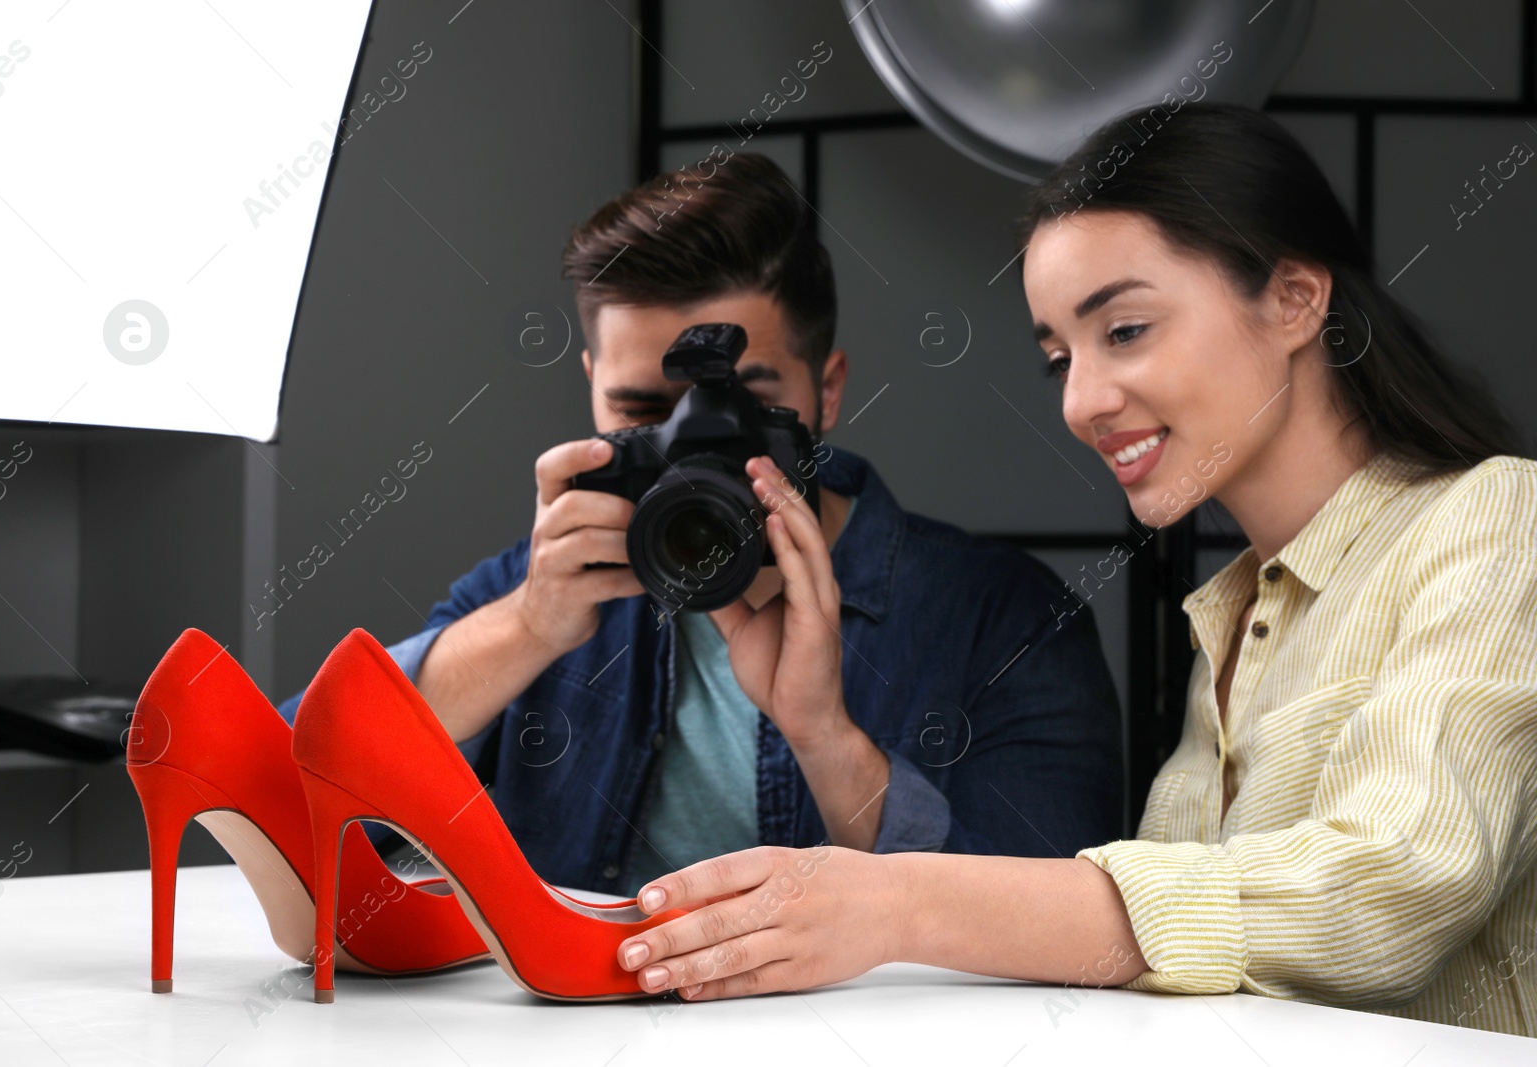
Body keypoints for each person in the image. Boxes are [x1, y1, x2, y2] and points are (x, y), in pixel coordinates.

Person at [612, 104, 1537, 1039]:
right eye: (1059, 358)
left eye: (1125, 329)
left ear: (1295, 298)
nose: (1084, 401)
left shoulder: (1499, 517)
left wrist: (897, 901)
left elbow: (1392, 890)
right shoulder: (1234, 611)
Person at [277, 153, 1123, 898]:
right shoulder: (528, 594)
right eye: (645, 410)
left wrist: (826, 739)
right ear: (591, 389)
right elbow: (278, 791)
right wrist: (526, 631)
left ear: (826, 392)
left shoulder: (1003, 622)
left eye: (743, 408)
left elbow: (1049, 936)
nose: (698, 445)